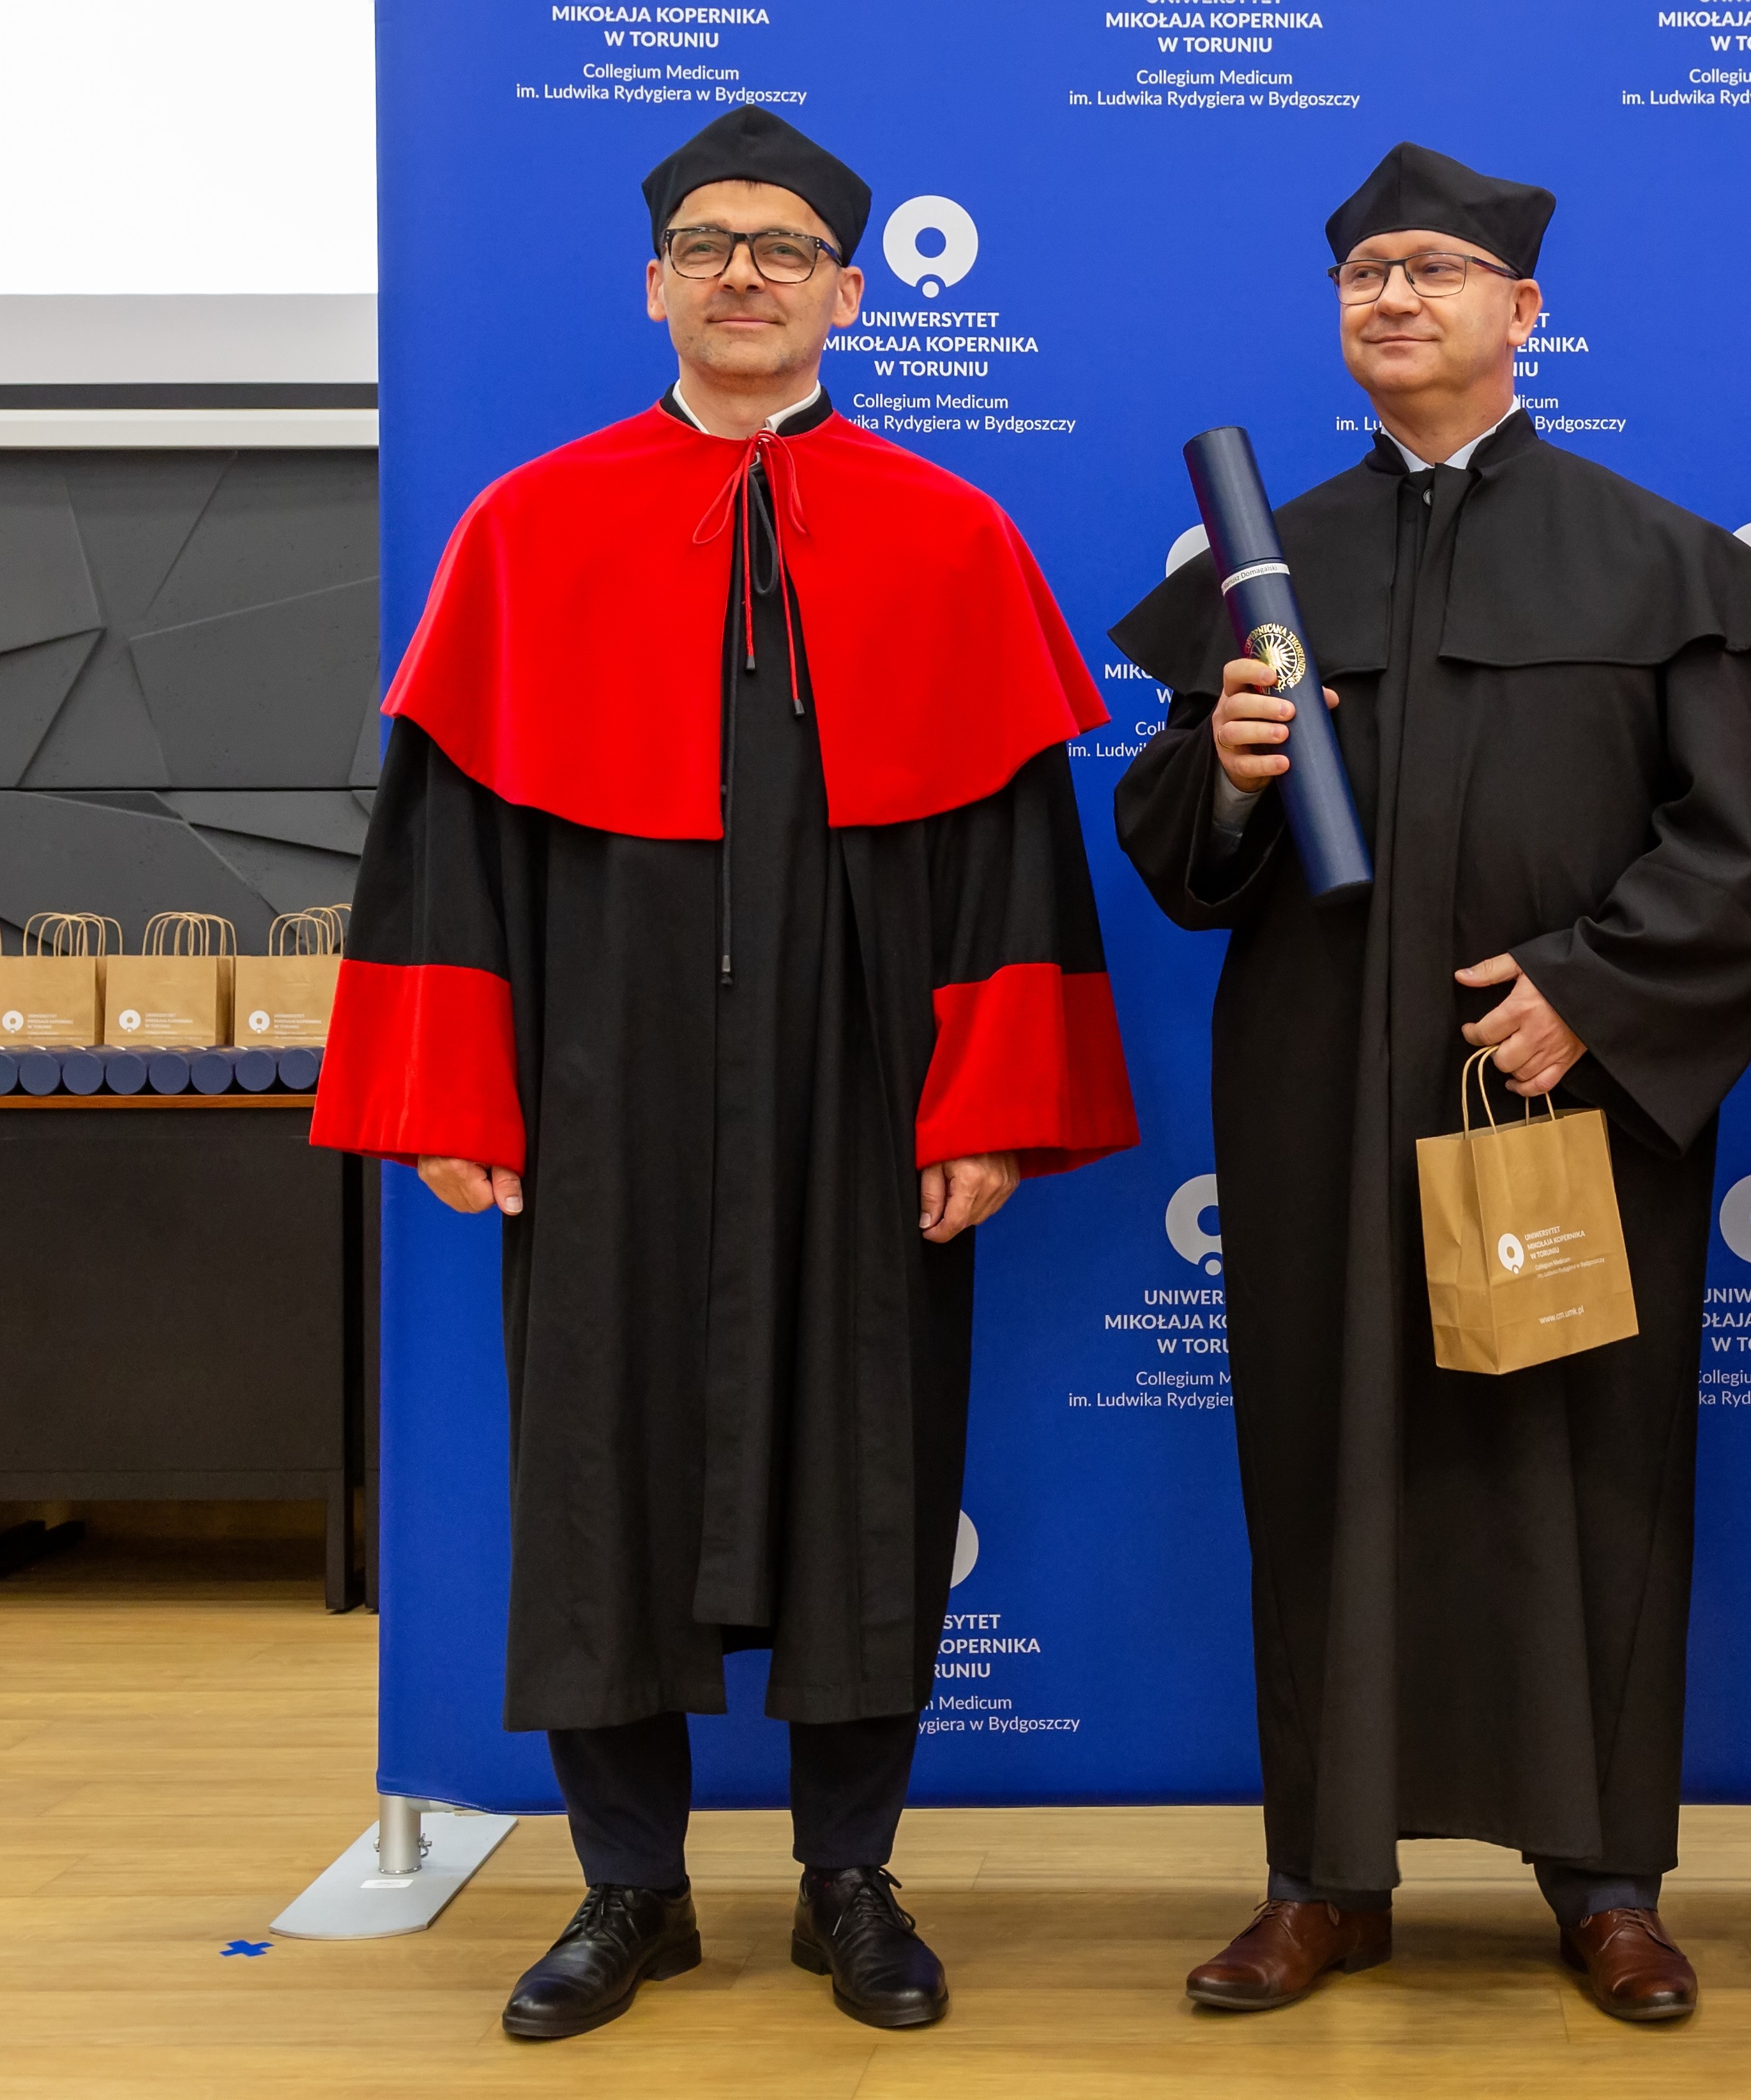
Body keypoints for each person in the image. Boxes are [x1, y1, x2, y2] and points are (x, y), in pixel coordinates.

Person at [311, 105, 1137, 2042]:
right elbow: (445, 850)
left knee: (872, 1462)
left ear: (849, 293)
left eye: (782, 249)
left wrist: (990, 1103)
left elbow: (1013, 856)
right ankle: (629, 1889)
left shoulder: (950, 538)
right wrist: (454, 1092)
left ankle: (850, 1878)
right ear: (654, 287)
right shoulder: (528, 530)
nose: (742, 273)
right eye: (705, 245)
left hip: (867, 1087)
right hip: (600, 1088)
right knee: (596, 1466)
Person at [1109, 142, 1751, 2023]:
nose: (1394, 298)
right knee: (1325, 1464)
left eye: (1434, 270)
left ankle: (1609, 1881)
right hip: (1318, 1091)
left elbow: (1740, 852)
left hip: (1559, 1095)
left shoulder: (1667, 563)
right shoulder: (1265, 564)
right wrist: (1228, 771)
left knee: (1591, 1467)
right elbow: (1171, 856)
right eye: (1365, 275)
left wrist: (1595, 993)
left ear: (1523, 309)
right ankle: (1324, 1879)